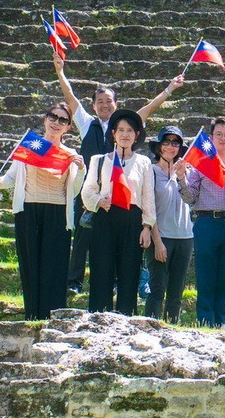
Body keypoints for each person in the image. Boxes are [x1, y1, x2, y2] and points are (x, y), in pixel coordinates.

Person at [53, 54, 183, 295]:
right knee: (82, 236)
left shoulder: (124, 126)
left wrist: (168, 89)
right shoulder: (85, 123)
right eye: (100, 101)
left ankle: (116, 281)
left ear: (116, 103)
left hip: (121, 194)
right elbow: (70, 99)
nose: (104, 105)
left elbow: (147, 109)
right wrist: (60, 72)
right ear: (93, 105)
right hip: (93, 191)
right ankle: (74, 282)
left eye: (109, 101)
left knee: (119, 240)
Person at [0, 102, 86, 319]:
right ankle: (32, 314)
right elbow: (11, 178)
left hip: (57, 213)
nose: (56, 123)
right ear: (45, 119)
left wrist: (80, 168)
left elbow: (75, 189)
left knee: (55, 265)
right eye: (53, 117)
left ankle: (52, 315)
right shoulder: (32, 145)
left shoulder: (70, 154)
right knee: (30, 263)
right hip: (29, 210)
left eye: (63, 120)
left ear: (68, 127)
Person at [79, 108, 156, 315]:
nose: (125, 134)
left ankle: (125, 317)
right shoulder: (100, 159)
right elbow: (87, 190)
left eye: (130, 130)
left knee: (129, 271)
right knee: (101, 269)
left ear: (136, 135)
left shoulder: (143, 162)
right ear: (113, 133)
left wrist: (147, 226)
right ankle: (98, 316)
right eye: (120, 130)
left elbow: (148, 197)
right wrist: (98, 201)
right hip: (106, 216)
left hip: (132, 219)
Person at [178, 115, 225, 327]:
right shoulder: (201, 164)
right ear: (211, 138)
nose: (223, 138)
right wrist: (181, 178)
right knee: (205, 273)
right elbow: (190, 198)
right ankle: (205, 320)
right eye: (218, 134)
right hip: (207, 222)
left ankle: (222, 321)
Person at [145, 125, 193, 322]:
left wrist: (182, 177)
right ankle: (149, 327)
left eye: (175, 143)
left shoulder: (187, 172)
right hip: (162, 236)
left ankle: (172, 327)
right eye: (166, 142)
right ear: (159, 147)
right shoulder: (151, 172)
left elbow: (191, 199)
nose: (170, 147)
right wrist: (157, 242)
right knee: (157, 288)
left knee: (176, 291)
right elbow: (148, 207)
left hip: (185, 237)